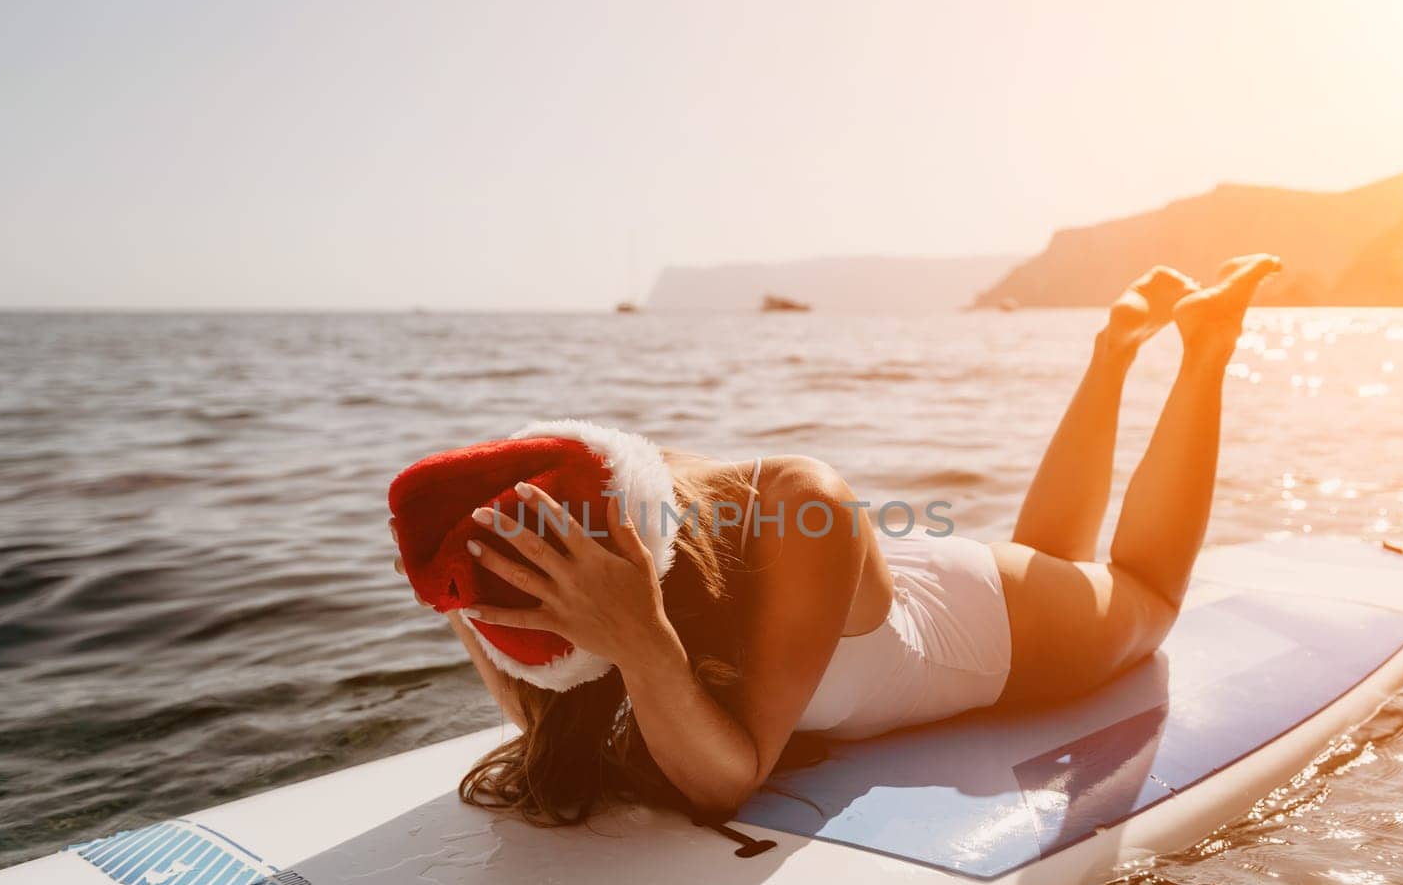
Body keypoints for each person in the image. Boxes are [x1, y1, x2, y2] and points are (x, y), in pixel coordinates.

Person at [389, 254, 1281, 824]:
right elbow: (545, 698)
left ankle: (1204, 345)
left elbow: (726, 780)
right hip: (865, 606)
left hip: (993, 634)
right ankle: (1116, 349)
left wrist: (643, 647)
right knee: (1051, 550)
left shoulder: (796, 495)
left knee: (1142, 586)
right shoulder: (563, 530)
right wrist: (463, 600)